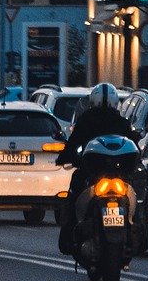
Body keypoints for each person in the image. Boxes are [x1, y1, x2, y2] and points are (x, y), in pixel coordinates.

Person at [55, 82, 135, 254]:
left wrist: (63, 158)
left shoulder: (87, 119)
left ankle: (69, 235)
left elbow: (74, 142)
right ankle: (132, 230)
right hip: (117, 175)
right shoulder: (122, 122)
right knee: (133, 198)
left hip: (92, 174)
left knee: (73, 193)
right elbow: (133, 145)